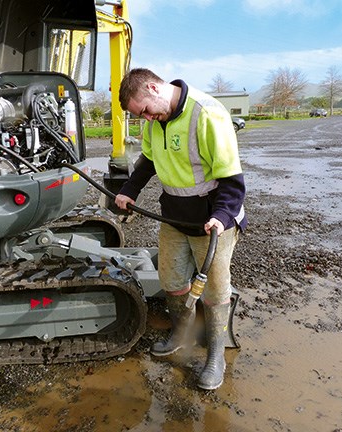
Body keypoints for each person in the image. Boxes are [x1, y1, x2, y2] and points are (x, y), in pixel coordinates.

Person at [115, 68, 247, 390]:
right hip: (175, 216)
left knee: (215, 292)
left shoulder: (207, 113)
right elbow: (147, 161)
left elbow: (232, 179)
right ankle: (180, 334)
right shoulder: (155, 121)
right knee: (171, 280)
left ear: (152, 87)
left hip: (213, 220)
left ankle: (215, 358)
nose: (145, 118)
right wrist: (129, 191)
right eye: (139, 115)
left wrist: (222, 216)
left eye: (144, 109)